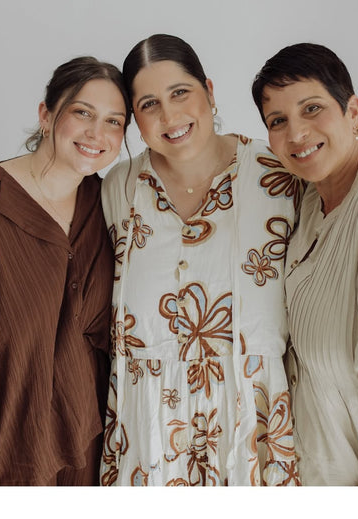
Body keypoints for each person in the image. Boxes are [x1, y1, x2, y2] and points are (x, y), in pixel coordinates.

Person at [99, 34, 305, 486]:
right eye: (149, 104)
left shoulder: (278, 176)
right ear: (134, 118)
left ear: (209, 91)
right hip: (146, 434)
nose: (169, 116)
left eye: (180, 93)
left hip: (253, 425)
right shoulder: (119, 188)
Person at [0, 56, 131, 485]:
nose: (97, 133)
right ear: (46, 115)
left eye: (113, 121)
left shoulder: (112, 206)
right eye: (83, 113)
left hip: (87, 450)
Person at [251, 42, 358, 486]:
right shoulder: (309, 196)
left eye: (312, 108)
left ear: (353, 111)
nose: (296, 133)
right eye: (277, 121)